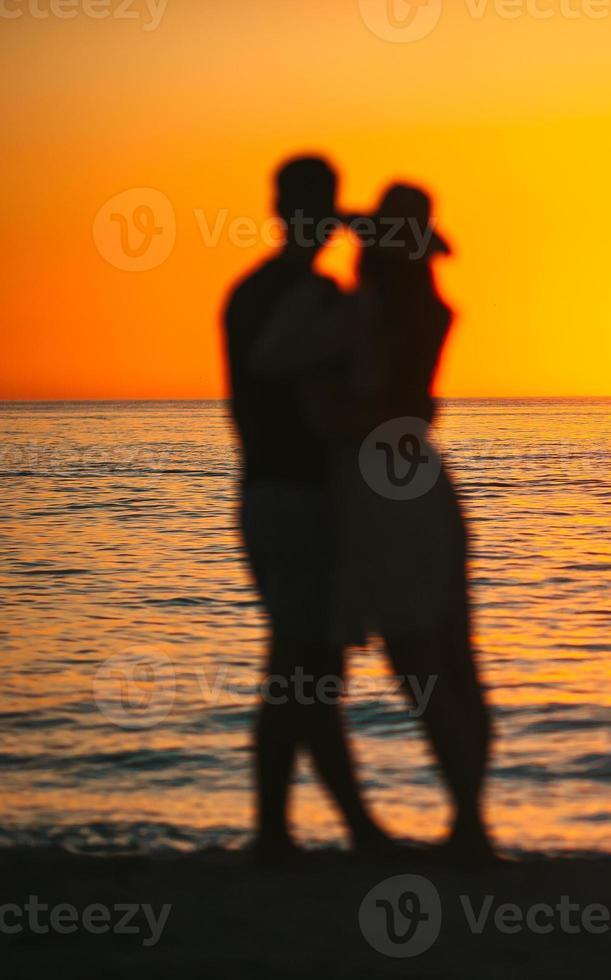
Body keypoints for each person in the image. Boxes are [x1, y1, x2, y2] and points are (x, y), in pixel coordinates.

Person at [255, 182, 493, 859]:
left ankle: (469, 828)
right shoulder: (429, 306)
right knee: (453, 659)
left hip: (382, 491)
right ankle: (469, 820)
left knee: (419, 656)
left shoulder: (365, 314)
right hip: (424, 479)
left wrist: (327, 406)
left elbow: (274, 357)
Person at [222, 156, 392, 861]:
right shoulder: (307, 298)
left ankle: (308, 831)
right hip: (297, 497)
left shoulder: (250, 291)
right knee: (303, 667)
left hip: (263, 490)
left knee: (302, 667)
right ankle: (304, 832)